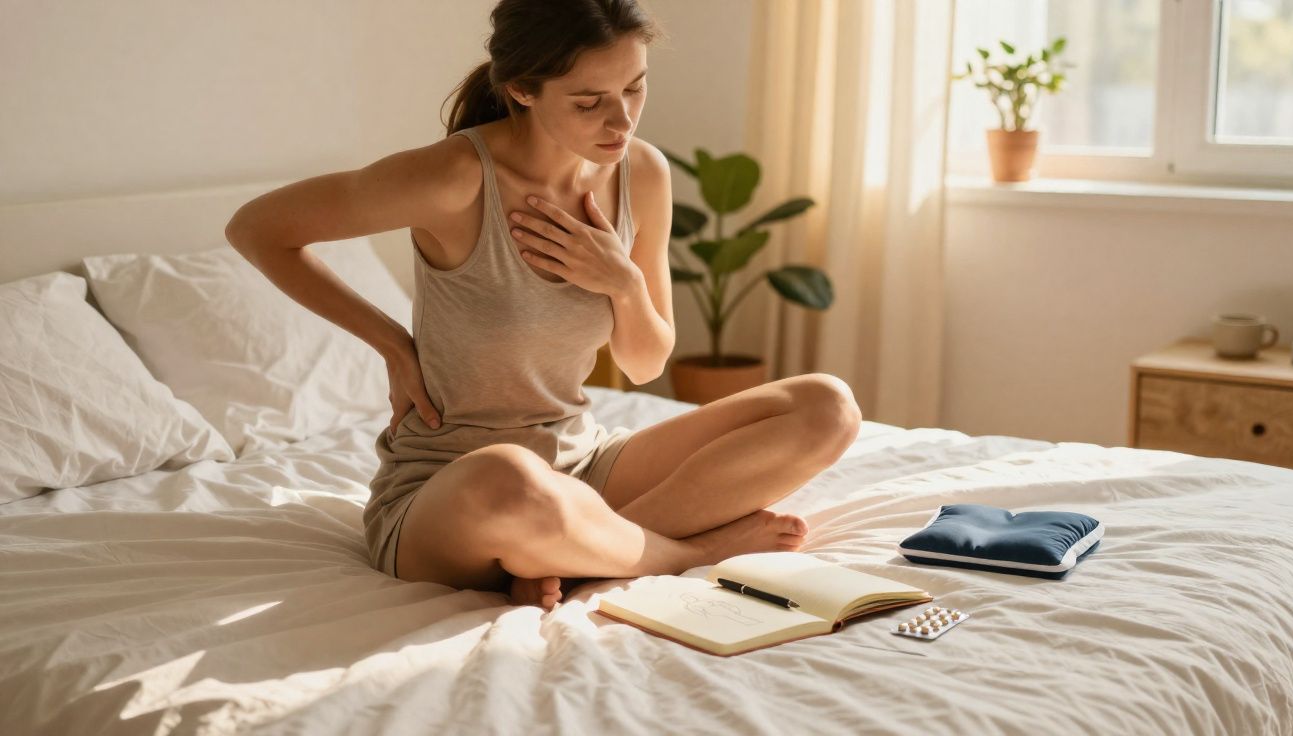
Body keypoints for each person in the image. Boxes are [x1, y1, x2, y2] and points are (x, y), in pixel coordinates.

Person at [225, 0, 861, 612]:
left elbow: (644, 364)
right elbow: (257, 229)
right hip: (454, 492)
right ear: (524, 90)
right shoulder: (454, 178)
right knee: (509, 476)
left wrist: (622, 282)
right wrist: (392, 343)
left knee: (826, 406)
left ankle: (579, 552)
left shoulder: (642, 174)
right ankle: (677, 552)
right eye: (589, 102)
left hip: (581, 461)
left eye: (634, 89)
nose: (622, 122)